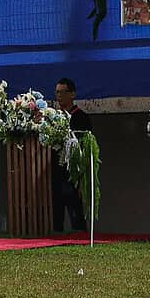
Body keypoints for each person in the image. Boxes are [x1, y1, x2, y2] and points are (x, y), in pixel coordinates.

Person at [52, 76, 96, 232]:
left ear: (73, 94)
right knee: (55, 213)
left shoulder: (81, 117)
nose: (59, 96)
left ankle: (81, 239)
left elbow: (86, 145)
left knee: (76, 212)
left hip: (74, 173)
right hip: (55, 171)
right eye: (57, 92)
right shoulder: (53, 118)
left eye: (63, 92)